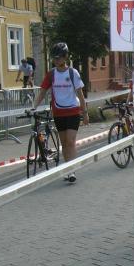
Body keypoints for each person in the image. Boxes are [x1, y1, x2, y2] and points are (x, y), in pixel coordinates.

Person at [33, 42, 88, 183]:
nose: (56, 60)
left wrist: (85, 112)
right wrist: (34, 106)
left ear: (65, 57)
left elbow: (80, 94)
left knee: (70, 141)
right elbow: (42, 92)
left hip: (73, 112)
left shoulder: (73, 73)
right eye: (54, 58)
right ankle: (67, 168)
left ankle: (72, 170)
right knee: (64, 143)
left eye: (59, 57)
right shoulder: (51, 74)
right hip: (59, 113)